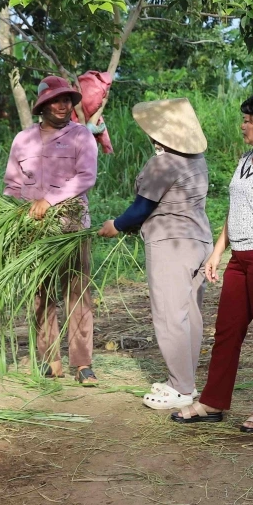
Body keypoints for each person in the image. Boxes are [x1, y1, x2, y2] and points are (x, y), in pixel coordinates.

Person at [170, 93, 253, 432]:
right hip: (241, 258)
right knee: (227, 332)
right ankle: (212, 402)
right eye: (243, 120)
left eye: (248, 120)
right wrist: (218, 251)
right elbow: (237, 210)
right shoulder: (246, 160)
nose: (242, 126)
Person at [97, 98, 213, 410]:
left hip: (172, 245)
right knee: (190, 313)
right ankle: (186, 381)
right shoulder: (197, 158)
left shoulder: (163, 163)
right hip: (200, 241)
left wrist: (116, 225)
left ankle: (180, 387)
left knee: (169, 316)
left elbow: (142, 208)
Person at [3, 75, 100, 386]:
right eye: (55, 100)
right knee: (40, 295)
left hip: (72, 227)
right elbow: (12, 184)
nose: (63, 105)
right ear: (42, 106)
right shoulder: (23, 140)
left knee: (77, 294)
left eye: (67, 100)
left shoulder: (81, 136)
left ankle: (82, 364)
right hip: (34, 231)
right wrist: (9, 215)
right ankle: (50, 360)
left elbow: (86, 177)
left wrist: (49, 200)